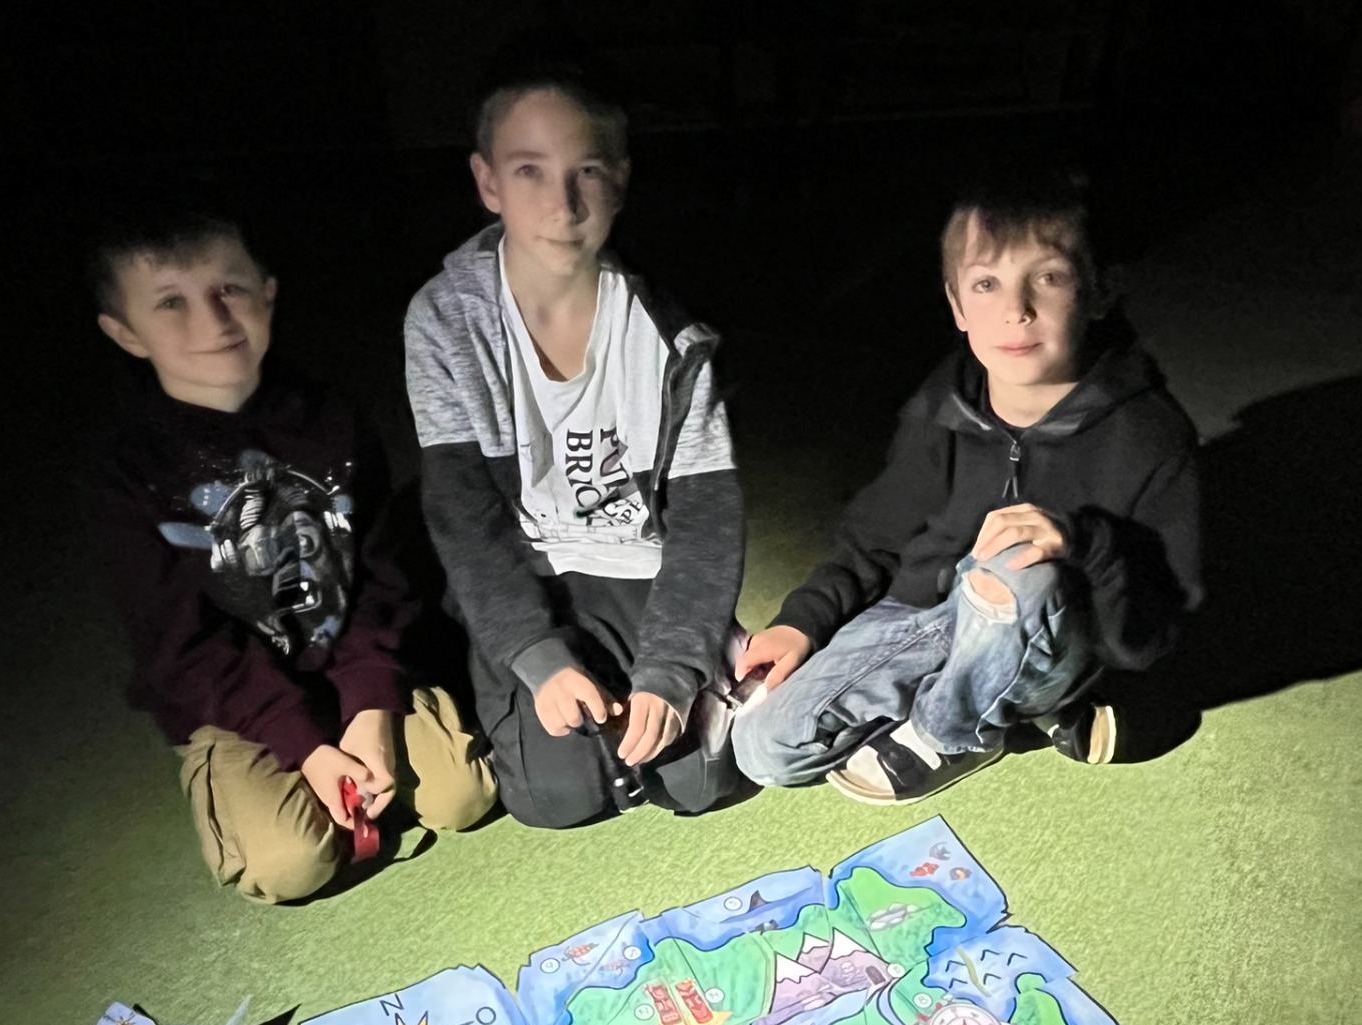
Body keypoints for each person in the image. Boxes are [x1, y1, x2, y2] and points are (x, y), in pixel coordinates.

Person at [733, 174, 1201, 803]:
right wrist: (802, 623)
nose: (1016, 309)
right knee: (765, 748)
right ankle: (984, 696)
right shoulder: (943, 403)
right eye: (986, 284)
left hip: (1055, 631)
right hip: (929, 615)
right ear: (957, 306)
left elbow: (1152, 634)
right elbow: (875, 539)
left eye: (1049, 277)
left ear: (1098, 292)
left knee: (1016, 564)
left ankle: (952, 731)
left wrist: (1085, 543)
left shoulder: (1148, 435)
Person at [84, 210, 494, 902]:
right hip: (238, 701)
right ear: (125, 332)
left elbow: (379, 574)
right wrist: (302, 745)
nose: (213, 322)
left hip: (347, 660)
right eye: (171, 303)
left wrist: (370, 707)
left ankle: (361, 746)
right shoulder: (125, 473)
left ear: (268, 292)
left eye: (230, 290)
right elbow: (181, 648)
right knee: (291, 864)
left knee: (462, 795)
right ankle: (258, 780)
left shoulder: (329, 416)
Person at [404, 60, 746, 829]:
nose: (562, 205)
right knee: (554, 797)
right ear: (488, 182)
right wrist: (536, 655)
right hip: (527, 569)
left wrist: (674, 666)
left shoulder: (674, 334)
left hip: (634, 562)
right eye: (529, 171)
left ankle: (710, 650)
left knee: (700, 779)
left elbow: (706, 519)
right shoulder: (445, 320)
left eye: (585, 172)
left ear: (619, 181)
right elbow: (464, 518)